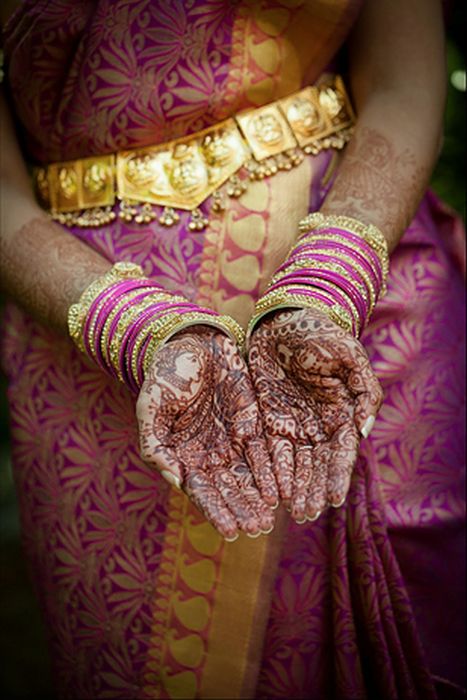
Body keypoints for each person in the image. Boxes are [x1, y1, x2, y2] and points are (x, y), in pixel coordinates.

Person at [0, 1, 465, 698]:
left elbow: (404, 81)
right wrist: (140, 331)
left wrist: (325, 282)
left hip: (367, 273)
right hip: (85, 338)